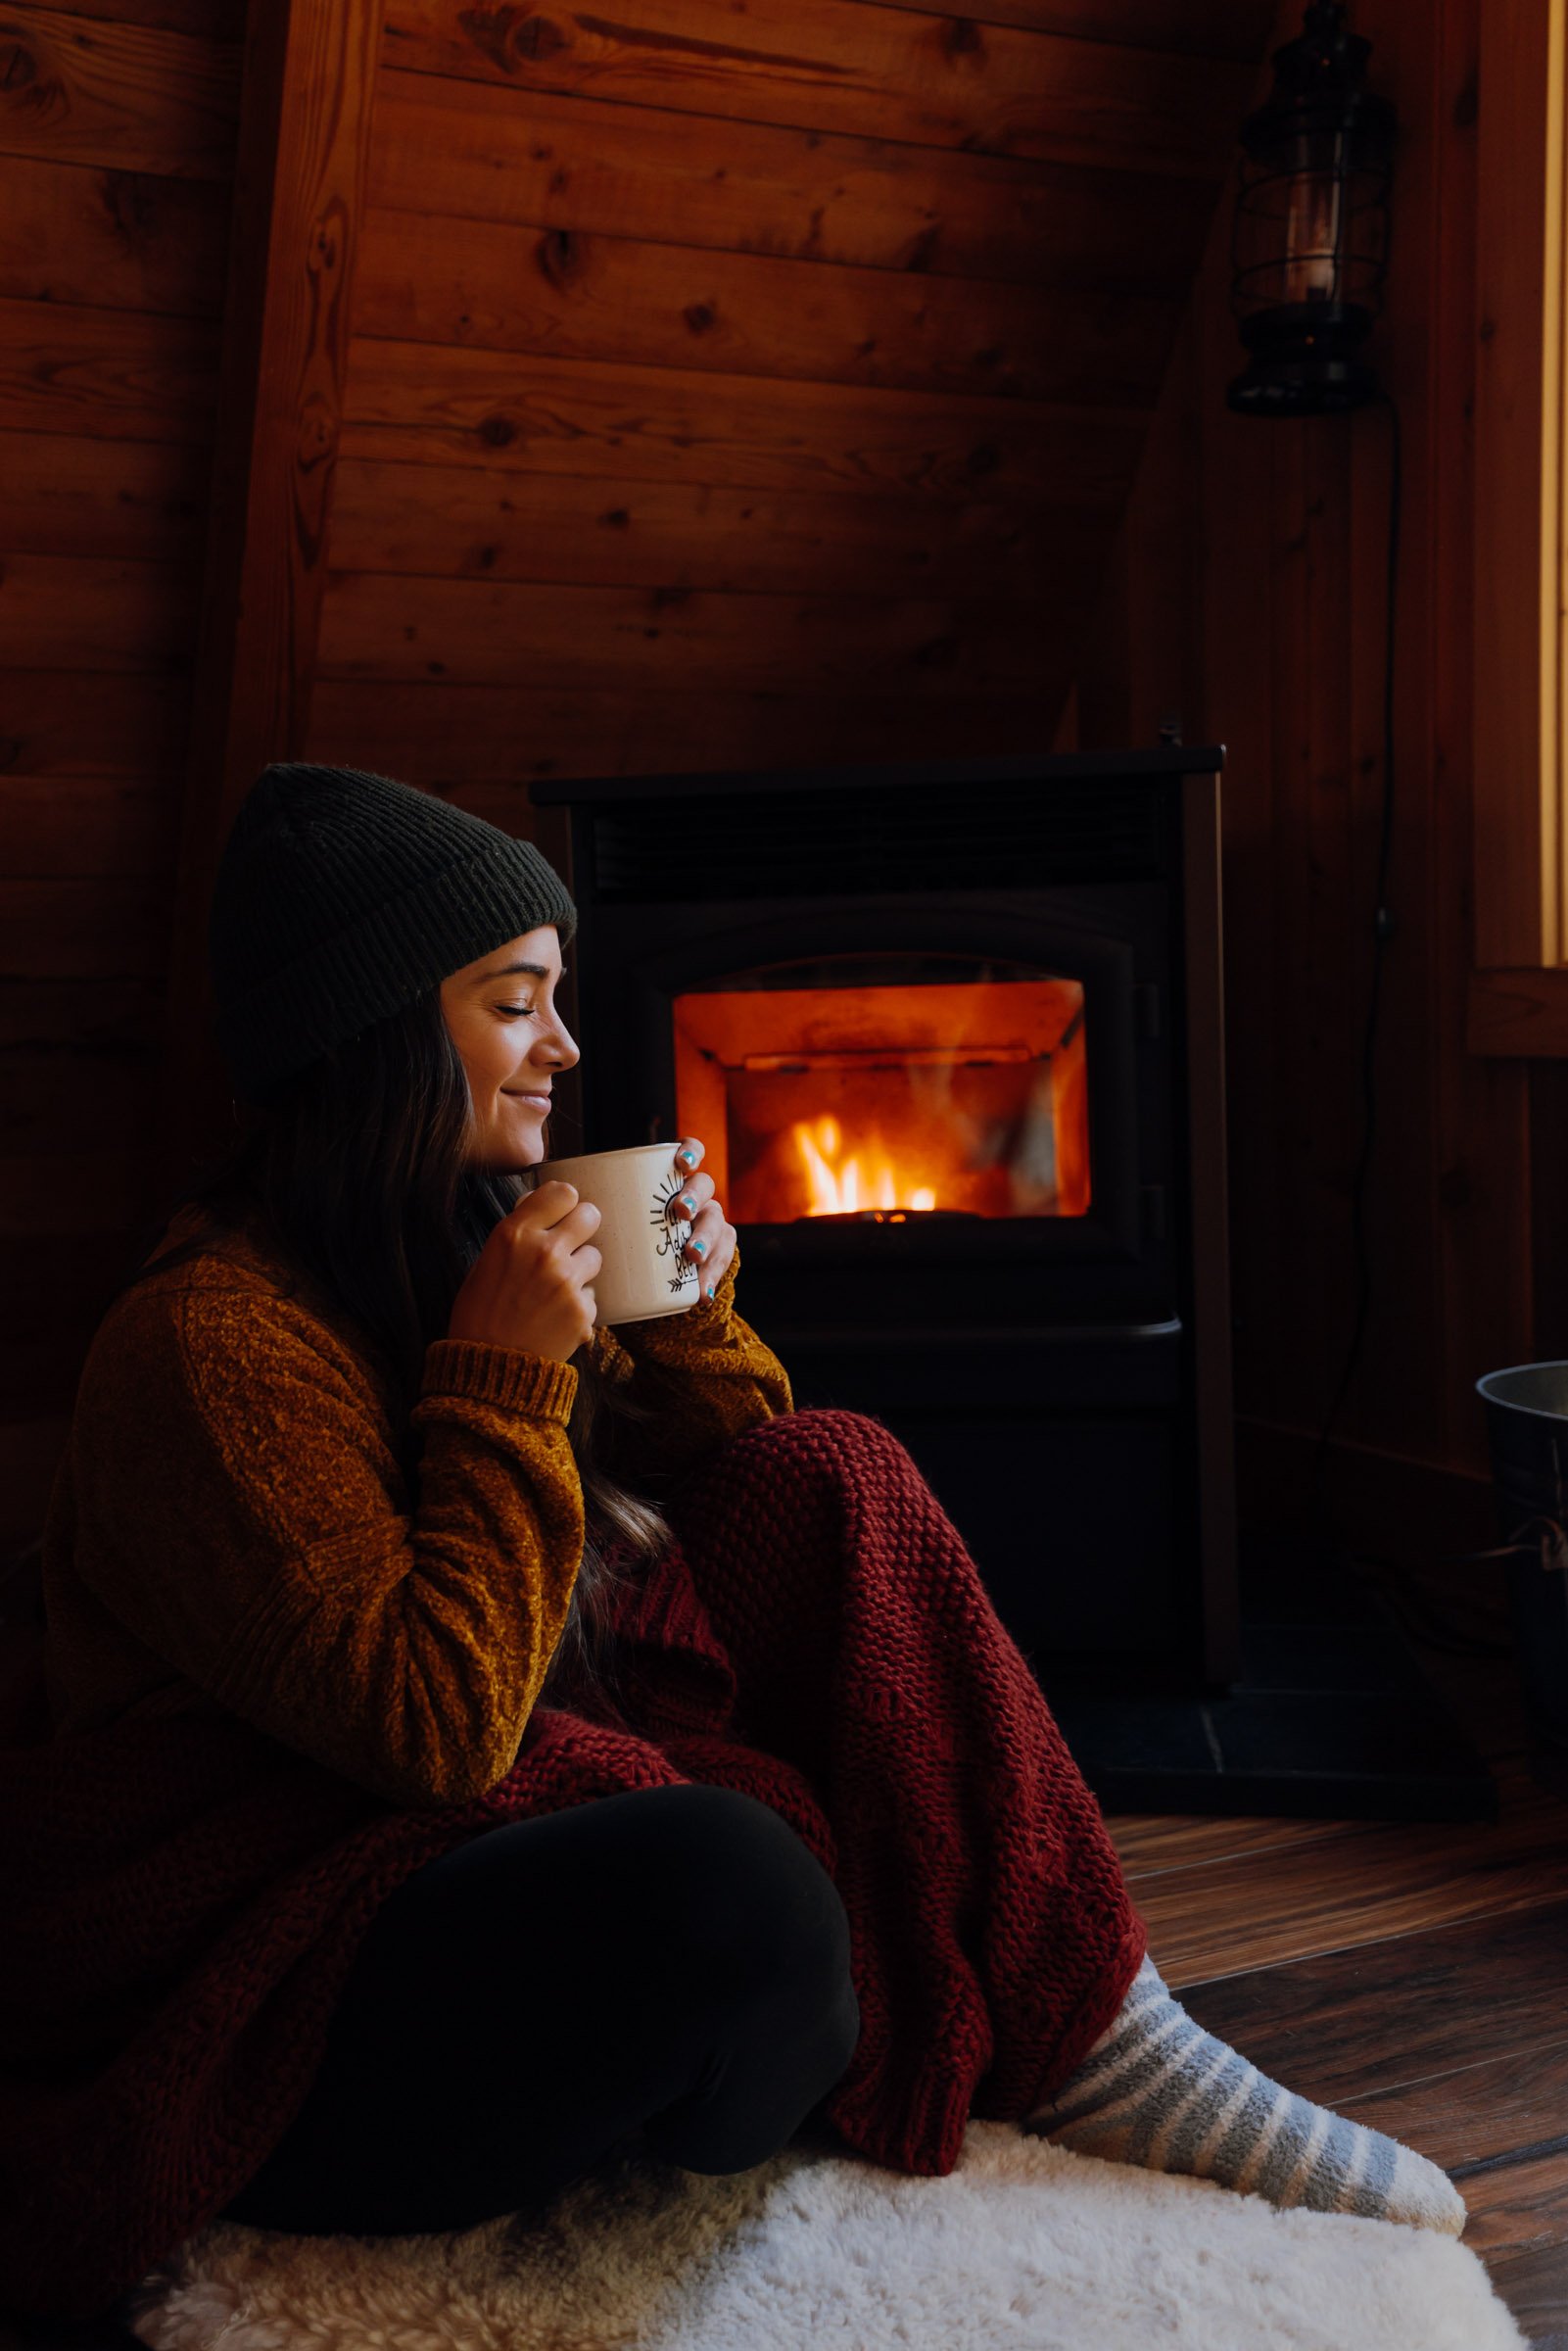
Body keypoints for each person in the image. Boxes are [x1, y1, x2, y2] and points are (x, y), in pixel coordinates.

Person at [0, 764, 1462, 2327]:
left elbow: (737, 1480)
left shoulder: (455, 1243)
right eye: (512, 1004)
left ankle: (1101, 2027)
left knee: (831, 1472)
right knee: (733, 1891)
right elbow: (429, 1734)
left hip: (475, 1825)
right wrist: (498, 1378)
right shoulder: (208, 1346)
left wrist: (684, 1313)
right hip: (278, 1950)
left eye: (557, 999)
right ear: (371, 1038)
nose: (563, 1045)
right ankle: (783, 2023)